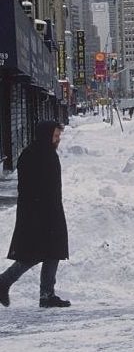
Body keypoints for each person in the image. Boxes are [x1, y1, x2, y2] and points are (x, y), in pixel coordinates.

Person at [0, 121, 71, 309]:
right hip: (38, 213)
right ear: (46, 135)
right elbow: (32, 188)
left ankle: (46, 294)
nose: (58, 140)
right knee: (33, 254)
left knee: (52, 251)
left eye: (58, 136)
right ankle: (4, 281)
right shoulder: (34, 155)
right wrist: (42, 212)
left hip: (48, 211)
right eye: (55, 136)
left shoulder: (44, 153)